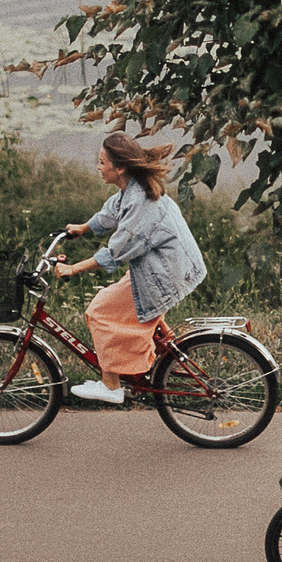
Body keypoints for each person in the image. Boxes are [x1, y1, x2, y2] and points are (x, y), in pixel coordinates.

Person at [56, 134, 207, 406]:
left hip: (163, 275)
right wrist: (84, 227)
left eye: (102, 162)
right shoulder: (132, 189)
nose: (98, 167)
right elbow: (110, 213)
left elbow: (116, 250)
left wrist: (73, 269)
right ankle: (168, 358)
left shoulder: (140, 202)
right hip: (161, 267)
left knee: (99, 311)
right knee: (129, 307)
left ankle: (111, 385)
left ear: (120, 168)